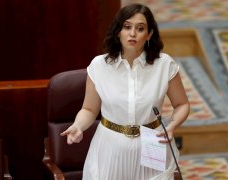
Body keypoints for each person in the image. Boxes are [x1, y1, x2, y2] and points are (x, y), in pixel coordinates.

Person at [61, 3, 190, 180]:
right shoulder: (99, 66)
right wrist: (78, 126)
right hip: (110, 143)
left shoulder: (164, 65)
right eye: (127, 27)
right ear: (117, 31)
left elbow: (181, 104)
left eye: (140, 28)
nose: (132, 33)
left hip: (152, 140)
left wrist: (172, 126)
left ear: (149, 34)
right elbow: (89, 110)